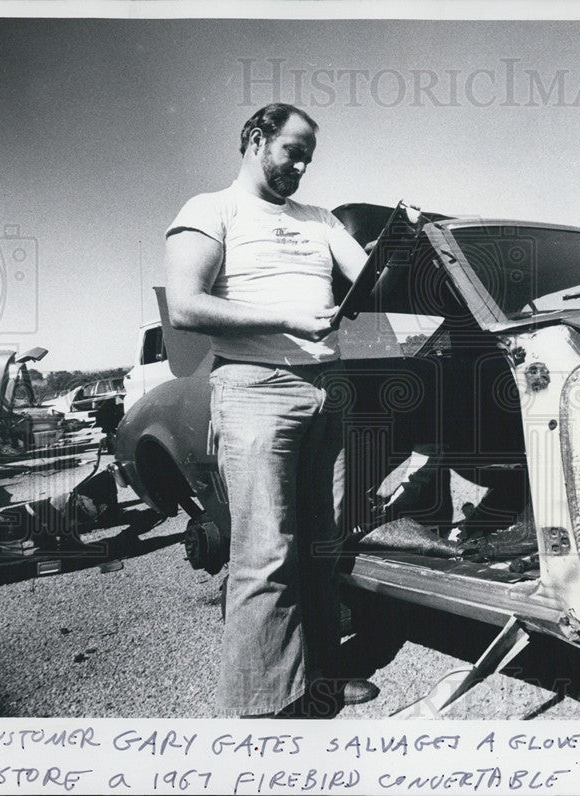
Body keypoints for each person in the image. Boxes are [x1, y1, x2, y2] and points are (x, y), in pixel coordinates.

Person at [164, 103, 377, 718]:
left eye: (309, 155)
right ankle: (264, 707)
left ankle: (321, 675)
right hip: (255, 389)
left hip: (324, 389)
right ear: (257, 140)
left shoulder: (319, 219)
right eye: (293, 150)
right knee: (265, 549)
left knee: (321, 542)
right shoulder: (210, 210)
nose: (303, 165)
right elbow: (186, 305)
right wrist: (284, 318)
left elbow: (367, 282)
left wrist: (393, 255)